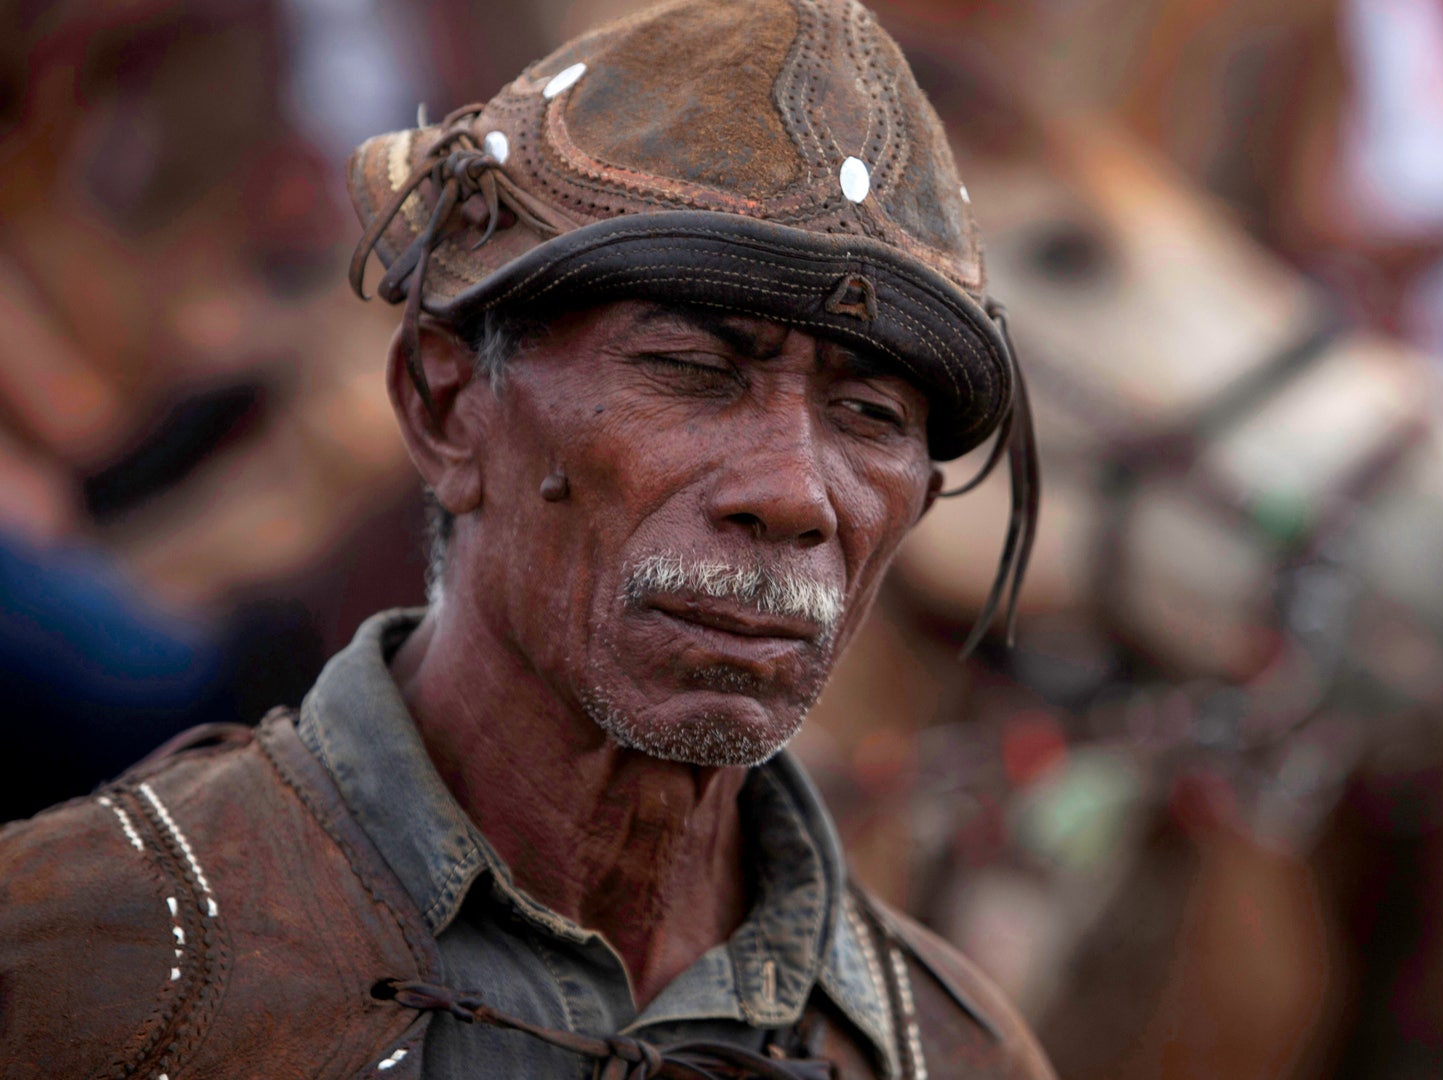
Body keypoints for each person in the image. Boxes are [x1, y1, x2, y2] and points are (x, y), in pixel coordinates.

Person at [0, 2, 1048, 1077]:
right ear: (446, 408)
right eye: (690, 371)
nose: (794, 496)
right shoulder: (76, 972)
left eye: (871, 416)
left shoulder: (955, 1054)